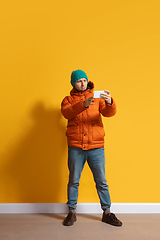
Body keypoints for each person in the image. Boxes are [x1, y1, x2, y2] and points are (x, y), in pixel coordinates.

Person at [61, 69, 122, 227]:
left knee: (101, 181)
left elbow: (110, 113)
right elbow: (67, 113)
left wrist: (109, 102)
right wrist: (83, 104)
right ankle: (72, 212)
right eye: (79, 81)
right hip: (76, 147)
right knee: (73, 180)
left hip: (96, 147)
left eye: (84, 80)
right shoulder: (67, 99)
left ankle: (107, 213)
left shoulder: (97, 98)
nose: (82, 83)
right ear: (73, 83)